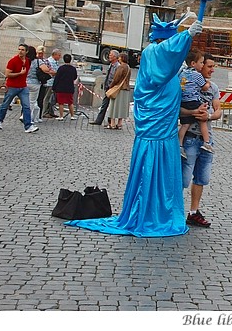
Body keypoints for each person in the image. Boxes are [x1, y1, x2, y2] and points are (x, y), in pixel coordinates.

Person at [65, 13, 204, 237]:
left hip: (165, 131)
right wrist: (187, 35)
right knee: (151, 170)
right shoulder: (152, 54)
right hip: (155, 131)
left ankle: (162, 211)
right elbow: (166, 55)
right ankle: (149, 212)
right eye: (170, 42)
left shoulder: (165, 65)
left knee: (163, 172)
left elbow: (171, 59)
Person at [181, 53, 221, 228]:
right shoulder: (187, 83)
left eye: (213, 66)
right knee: (182, 179)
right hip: (190, 138)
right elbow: (177, 109)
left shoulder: (213, 88)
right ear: (200, 66)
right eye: (209, 66)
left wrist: (209, 116)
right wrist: (192, 113)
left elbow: (219, 110)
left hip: (206, 139)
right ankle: (173, 210)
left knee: (201, 179)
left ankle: (193, 212)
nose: (212, 69)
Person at [178, 50, 213, 156]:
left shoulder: (182, 73)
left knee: (185, 125)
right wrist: (208, 82)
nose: (202, 65)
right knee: (202, 120)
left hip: (184, 101)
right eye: (201, 63)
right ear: (193, 63)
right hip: (193, 100)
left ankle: (179, 145)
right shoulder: (197, 75)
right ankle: (207, 142)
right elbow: (205, 88)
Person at [0, 43, 39, 133]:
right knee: (5, 105)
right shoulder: (13, 61)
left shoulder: (28, 61)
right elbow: (7, 74)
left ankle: (28, 126)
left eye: (22, 50)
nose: (20, 51)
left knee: (26, 106)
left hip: (23, 86)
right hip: (12, 86)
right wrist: (19, 73)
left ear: (26, 51)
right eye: (19, 49)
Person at [89, 50, 119, 126]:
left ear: (115, 57)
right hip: (108, 88)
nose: (109, 56)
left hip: (113, 89)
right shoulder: (111, 65)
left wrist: (111, 86)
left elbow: (116, 78)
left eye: (111, 55)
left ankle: (110, 122)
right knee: (104, 105)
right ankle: (99, 120)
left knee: (112, 106)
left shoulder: (117, 66)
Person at [105, 52, 131, 130]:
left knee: (114, 106)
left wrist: (111, 86)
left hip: (119, 89)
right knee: (122, 107)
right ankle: (119, 123)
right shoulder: (128, 67)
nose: (118, 59)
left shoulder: (121, 67)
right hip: (126, 89)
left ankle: (112, 123)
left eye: (119, 57)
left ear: (122, 58)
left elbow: (116, 78)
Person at [52, 54, 79, 121]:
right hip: (69, 87)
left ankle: (61, 116)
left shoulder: (61, 68)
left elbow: (57, 78)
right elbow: (75, 77)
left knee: (61, 102)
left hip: (60, 88)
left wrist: (54, 87)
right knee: (70, 102)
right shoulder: (73, 69)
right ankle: (72, 115)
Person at [41, 48, 61, 118]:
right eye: (59, 55)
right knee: (47, 97)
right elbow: (51, 72)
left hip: (53, 83)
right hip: (49, 82)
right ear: (54, 55)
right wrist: (57, 73)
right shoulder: (49, 61)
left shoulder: (55, 62)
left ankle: (50, 111)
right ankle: (44, 112)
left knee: (52, 98)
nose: (60, 57)